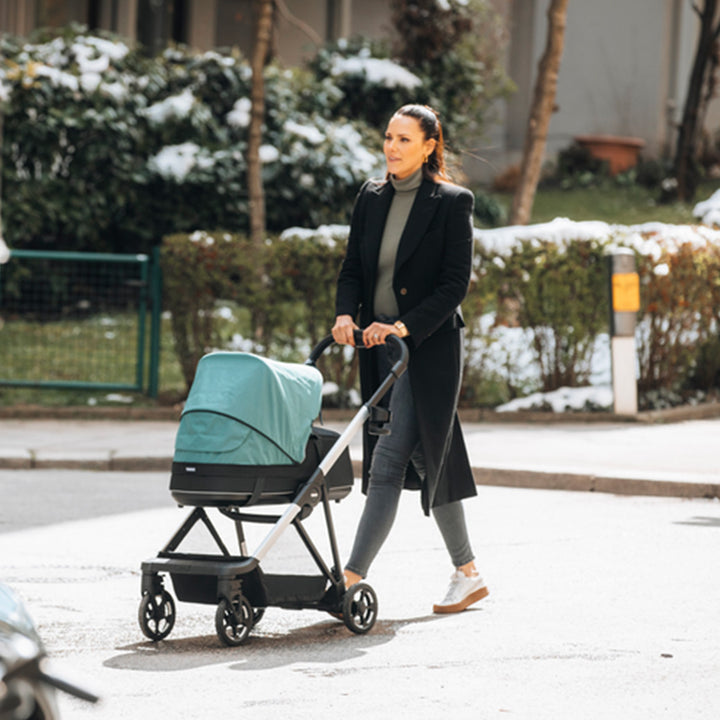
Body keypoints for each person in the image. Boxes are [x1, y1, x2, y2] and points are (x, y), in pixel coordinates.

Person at [332, 104, 488, 614]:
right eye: (388, 137)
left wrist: (402, 325)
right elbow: (354, 266)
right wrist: (343, 315)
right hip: (377, 351)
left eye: (404, 139)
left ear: (428, 146)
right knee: (427, 455)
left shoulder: (451, 202)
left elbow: (453, 287)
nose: (392, 147)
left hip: (425, 349)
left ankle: (351, 575)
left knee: (388, 460)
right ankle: (467, 572)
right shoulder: (371, 197)